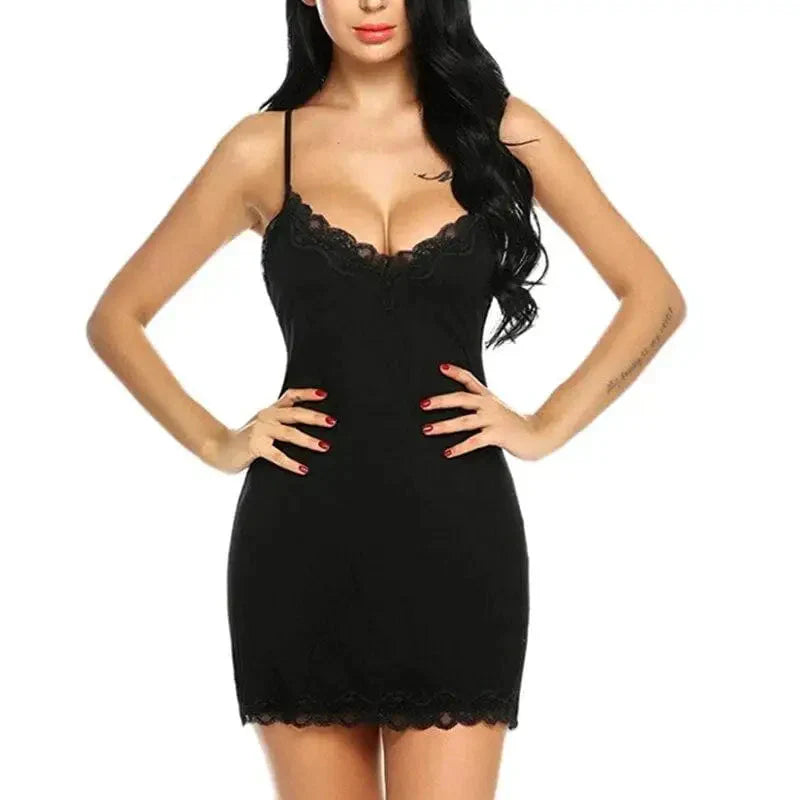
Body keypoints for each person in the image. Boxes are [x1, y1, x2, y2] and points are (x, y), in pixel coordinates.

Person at [86, 1, 687, 797]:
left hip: (459, 539)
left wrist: (546, 425)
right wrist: (217, 440)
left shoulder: (503, 130)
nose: (373, 2)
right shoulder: (261, 148)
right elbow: (116, 319)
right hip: (298, 539)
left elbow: (654, 297)